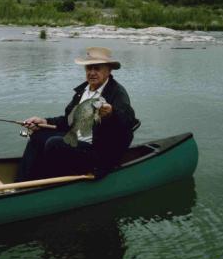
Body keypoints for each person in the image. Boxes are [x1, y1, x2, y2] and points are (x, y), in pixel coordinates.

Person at [16, 47, 136, 182]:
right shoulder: (82, 91)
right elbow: (67, 121)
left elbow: (128, 122)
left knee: (54, 144)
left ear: (109, 70)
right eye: (89, 68)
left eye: (97, 68)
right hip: (75, 141)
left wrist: (111, 114)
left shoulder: (118, 93)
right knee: (37, 136)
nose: (92, 73)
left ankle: (48, 183)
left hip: (97, 152)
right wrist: (44, 121)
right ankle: (21, 183)